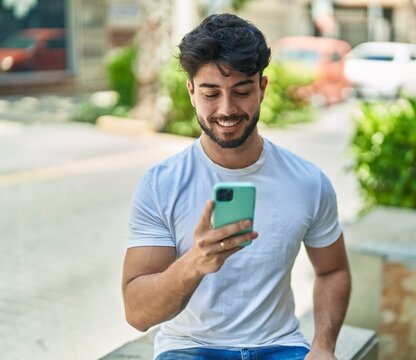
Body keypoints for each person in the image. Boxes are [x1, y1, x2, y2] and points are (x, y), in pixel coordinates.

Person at [121, 13, 351, 360]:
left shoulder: (307, 181)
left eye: (241, 91)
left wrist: (323, 346)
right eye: (211, 93)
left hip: (280, 346)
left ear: (262, 88)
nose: (226, 109)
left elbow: (332, 269)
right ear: (191, 92)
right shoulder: (162, 184)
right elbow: (137, 313)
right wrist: (195, 263)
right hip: (189, 349)